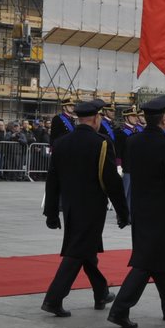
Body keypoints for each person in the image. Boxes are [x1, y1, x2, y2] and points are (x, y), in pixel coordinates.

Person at [40, 98, 129, 317]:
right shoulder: (102, 143)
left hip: (70, 207)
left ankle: (101, 292)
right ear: (97, 118)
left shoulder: (62, 143)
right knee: (76, 253)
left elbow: (52, 181)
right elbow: (112, 182)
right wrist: (123, 211)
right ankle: (53, 298)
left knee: (86, 252)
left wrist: (51, 212)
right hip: (92, 208)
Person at [107, 95, 165, 328]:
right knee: (146, 261)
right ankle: (120, 309)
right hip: (161, 210)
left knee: (156, 258)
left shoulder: (134, 141)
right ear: (163, 120)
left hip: (139, 208)